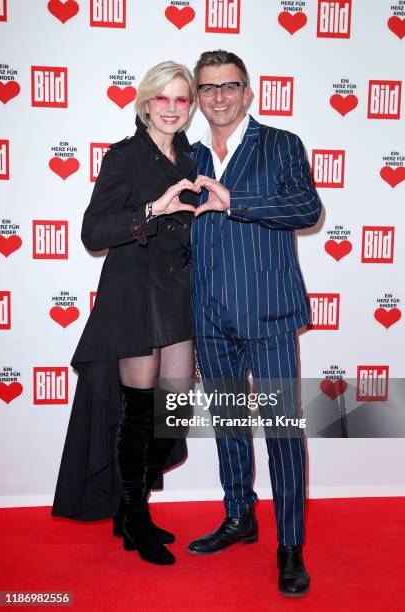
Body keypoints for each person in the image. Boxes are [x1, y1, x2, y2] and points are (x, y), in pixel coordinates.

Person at [52, 61, 198, 566]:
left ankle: (128, 507)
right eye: (164, 99)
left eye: (182, 99)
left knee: (173, 413)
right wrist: (152, 211)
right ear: (146, 102)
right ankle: (134, 516)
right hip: (134, 292)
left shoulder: (190, 158)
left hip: (177, 293)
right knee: (138, 415)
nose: (173, 109)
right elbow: (94, 233)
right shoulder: (124, 156)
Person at [187, 50, 321, 597]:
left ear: (247, 92)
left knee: (283, 432)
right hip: (208, 316)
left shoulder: (280, 144)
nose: (218, 96)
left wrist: (233, 200)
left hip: (267, 313)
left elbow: (306, 209)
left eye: (229, 86)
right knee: (229, 424)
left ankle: (290, 546)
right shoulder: (188, 154)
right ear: (197, 97)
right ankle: (240, 516)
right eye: (207, 88)